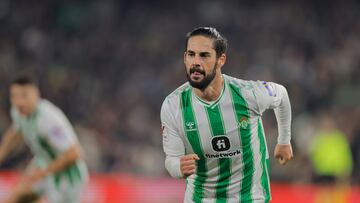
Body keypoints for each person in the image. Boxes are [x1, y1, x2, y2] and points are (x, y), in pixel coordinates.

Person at [161, 27, 293, 203]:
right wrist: (178, 167)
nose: (196, 62)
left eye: (204, 55)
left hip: (250, 198)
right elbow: (171, 159)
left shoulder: (248, 94)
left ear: (221, 59)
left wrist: (284, 140)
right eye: (191, 54)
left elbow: (281, 94)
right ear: (185, 57)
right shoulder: (172, 105)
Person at [0, 74, 88, 203]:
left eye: (24, 96)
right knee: (15, 198)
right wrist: (2, 153)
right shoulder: (18, 112)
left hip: (67, 176)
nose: (19, 101)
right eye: (14, 96)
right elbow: (15, 131)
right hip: (43, 163)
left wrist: (44, 172)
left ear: (36, 95)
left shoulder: (48, 119)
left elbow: (74, 153)